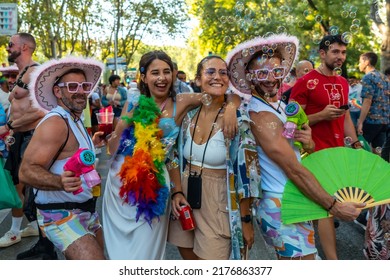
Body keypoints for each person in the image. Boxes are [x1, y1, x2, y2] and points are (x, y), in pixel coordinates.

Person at [227, 34, 364, 260]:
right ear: (250, 77)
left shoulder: (281, 106)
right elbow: (293, 169)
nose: (271, 79)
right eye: (262, 73)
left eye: (277, 71)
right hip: (279, 204)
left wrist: (308, 141)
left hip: (294, 198)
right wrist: (334, 206)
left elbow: (300, 152)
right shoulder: (259, 114)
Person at [102, 50, 239, 260]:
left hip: (154, 184)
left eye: (167, 72)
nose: (161, 78)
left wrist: (231, 108)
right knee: (121, 253)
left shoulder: (182, 101)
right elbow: (113, 148)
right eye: (155, 72)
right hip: (121, 183)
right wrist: (122, 122)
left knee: (147, 248)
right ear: (144, 77)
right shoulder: (134, 101)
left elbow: (219, 92)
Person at [167, 55, 261, 260]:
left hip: (220, 200)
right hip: (186, 196)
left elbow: (249, 174)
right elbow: (172, 155)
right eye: (210, 72)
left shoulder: (238, 119)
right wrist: (177, 192)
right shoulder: (189, 116)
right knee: (189, 258)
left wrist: (246, 221)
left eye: (223, 72)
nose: (217, 77)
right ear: (198, 79)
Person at [19, 56, 106, 260]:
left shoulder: (75, 119)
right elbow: (26, 171)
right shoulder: (56, 123)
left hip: (87, 212)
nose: (80, 91)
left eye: (84, 86)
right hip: (60, 215)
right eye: (72, 86)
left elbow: (68, 154)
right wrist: (60, 182)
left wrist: (92, 144)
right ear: (58, 91)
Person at [290, 34, 363, 259]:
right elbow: (290, 125)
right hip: (313, 153)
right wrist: (320, 115)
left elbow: (346, 118)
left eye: (343, 52)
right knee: (326, 209)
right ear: (322, 54)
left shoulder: (342, 82)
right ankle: (332, 262)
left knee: (339, 203)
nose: (340, 57)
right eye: (335, 52)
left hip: (337, 152)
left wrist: (357, 144)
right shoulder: (305, 82)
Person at [0, 33, 45, 250]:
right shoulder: (22, 72)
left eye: (11, 45)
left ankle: (18, 232)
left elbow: (41, 110)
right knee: (19, 184)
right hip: (17, 136)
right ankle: (32, 226)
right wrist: (10, 131)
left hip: (31, 136)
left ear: (25, 47)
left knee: (28, 186)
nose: (7, 48)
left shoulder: (36, 72)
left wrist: (10, 126)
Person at [357, 52, 390, 154]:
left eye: (360, 62)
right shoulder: (384, 77)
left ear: (366, 62)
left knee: (360, 149)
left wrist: (360, 122)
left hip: (371, 121)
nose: (358, 65)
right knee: (378, 151)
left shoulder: (368, 77)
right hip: (384, 122)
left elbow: (367, 100)